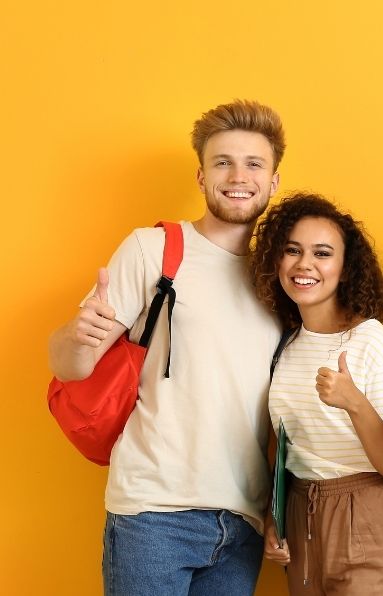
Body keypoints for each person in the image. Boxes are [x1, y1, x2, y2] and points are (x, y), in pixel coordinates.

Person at [47, 100, 286, 595]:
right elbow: (71, 366)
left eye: (253, 163)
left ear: (273, 180)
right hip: (153, 513)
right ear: (201, 176)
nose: (238, 175)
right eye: (223, 162)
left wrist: (276, 513)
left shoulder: (281, 277)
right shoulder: (154, 249)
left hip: (241, 520)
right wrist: (75, 336)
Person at [249, 193, 383, 595]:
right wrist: (274, 515)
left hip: (371, 514)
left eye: (322, 253)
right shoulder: (286, 346)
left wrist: (353, 402)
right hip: (302, 514)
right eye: (292, 250)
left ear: (345, 270)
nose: (304, 264)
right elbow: (280, 443)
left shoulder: (376, 344)